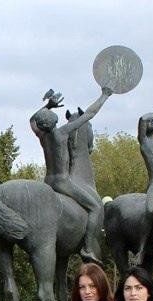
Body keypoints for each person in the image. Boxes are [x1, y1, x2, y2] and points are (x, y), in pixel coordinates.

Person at [31, 86, 112, 263]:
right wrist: (104, 96)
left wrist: (47, 106)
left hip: (47, 182)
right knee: (96, 208)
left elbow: (32, 120)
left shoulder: (42, 136)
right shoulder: (62, 133)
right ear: (53, 124)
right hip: (62, 182)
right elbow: (89, 114)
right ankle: (88, 247)